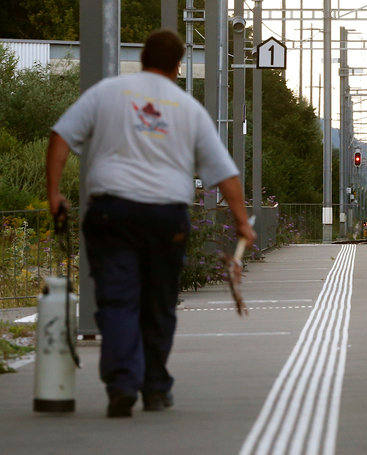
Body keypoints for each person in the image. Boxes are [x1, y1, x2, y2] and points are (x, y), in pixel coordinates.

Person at [46, 29, 256, 418]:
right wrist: (242, 222)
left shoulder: (107, 92)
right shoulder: (187, 108)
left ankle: (122, 384)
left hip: (112, 213)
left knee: (118, 298)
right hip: (165, 217)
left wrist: (54, 193)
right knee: (159, 301)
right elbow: (226, 174)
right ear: (178, 66)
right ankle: (156, 388)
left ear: (142, 56)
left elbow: (60, 137)